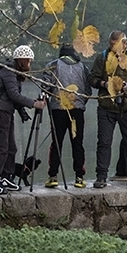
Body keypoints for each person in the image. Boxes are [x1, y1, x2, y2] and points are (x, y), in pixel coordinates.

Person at [0, 45, 46, 195]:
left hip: (6, 113)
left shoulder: (13, 74)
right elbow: (13, 95)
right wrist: (33, 103)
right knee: (0, 147)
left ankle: (6, 176)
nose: (30, 65)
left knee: (11, 148)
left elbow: (13, 97)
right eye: (29, 61)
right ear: (22, 61)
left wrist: (23, 112)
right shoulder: (8, 72)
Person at [89, 31, 127, 189]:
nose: (114, 47)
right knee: (104, 143)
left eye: (117, 44)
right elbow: (91, 78)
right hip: (106, 107)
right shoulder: (102, 58)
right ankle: (101, 177)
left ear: (124, 43)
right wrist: (104, 84)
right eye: (111, 44)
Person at [44, 44, 90, 189]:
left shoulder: (52, 65)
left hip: (58, 110)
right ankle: (79, 177)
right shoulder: (83, 67)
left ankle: (53, 176)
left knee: (57, 143)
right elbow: (87, 90)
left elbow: (46, 87)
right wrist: (80, 102)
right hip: (77, 110)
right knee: (78, 144)